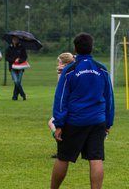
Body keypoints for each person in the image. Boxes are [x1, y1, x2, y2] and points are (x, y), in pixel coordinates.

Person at [50, 33, 115, 189]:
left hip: (75, 121)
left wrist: (58, 123)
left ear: (75, 49)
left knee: (63, 158)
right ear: (92, 48)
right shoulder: (102, 69)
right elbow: (109, 98)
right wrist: (108, 122)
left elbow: (60, 99)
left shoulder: (70, 70)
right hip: (97, 121)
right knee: (96, 158)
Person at [48, 52, 75, 158]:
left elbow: (60, 87)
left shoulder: (65, 73)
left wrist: (59, 72)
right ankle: (65, 149)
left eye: (59, 61)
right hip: (71, 105)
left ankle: (64, 150)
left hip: (67, 106)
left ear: (64, 63)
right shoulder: (72, 70)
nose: (58, 63)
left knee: (52, 123)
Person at [5, 36, 27, 101]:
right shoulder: (9, 48)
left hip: (20, 67)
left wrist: (19, 60)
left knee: (18, 82)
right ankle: (23, 94)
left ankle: (14, 97)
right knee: (16, 81)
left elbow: (25, 57)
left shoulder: (22, 47)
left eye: (16, 39)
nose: (14, 40)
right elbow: (6, 58)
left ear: (18, 40)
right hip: (12, 67)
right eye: (13, 39)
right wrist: (13, 60)